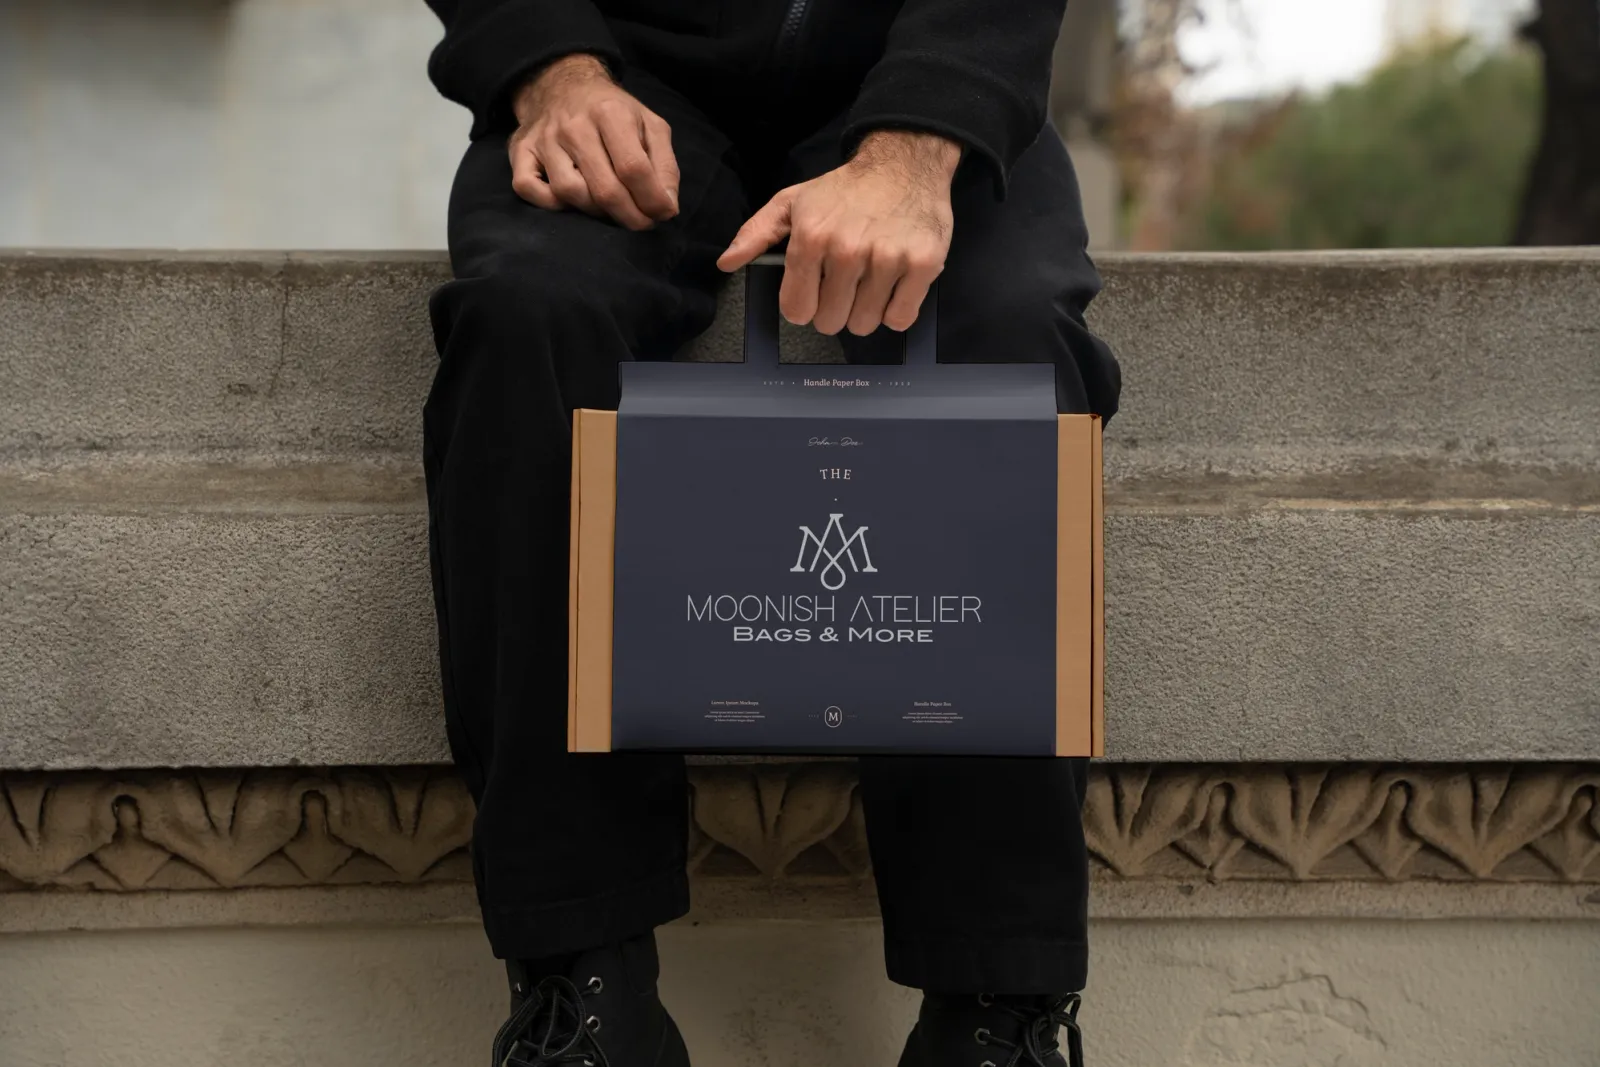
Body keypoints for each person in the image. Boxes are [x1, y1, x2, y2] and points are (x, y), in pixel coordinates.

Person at [421, 2, 1121, 1065]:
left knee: (1007, 338)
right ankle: (584, 991)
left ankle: (996, 1008)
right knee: (526, 315)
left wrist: (922, 138)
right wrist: (547, 65)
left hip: (921, 65)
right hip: (614, 75)